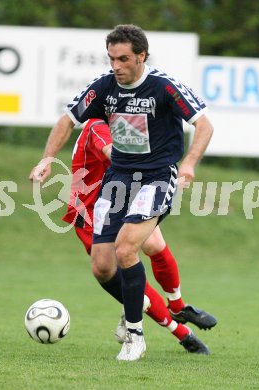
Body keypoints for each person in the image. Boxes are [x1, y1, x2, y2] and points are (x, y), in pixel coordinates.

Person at [30, 24, 214, 361]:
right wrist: (46, 160)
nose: (116, 65)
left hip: (157, 177)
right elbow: (68, 120)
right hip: (118, 181)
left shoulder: (163, 86)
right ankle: (143, 306)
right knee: (102, 266)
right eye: (112, 58)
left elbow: (203, 124)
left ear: (141, 56)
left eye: (124, 59)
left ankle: (134, 334)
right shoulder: (105, 87)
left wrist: (189, 163)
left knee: (128, 248)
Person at [61, 118, 216, 349]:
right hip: (91, 211)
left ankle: (178, 307)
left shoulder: (127, 121)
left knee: (153, 244)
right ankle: (182, 333)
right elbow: (115, 154)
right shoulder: (98, 125)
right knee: (121, 272)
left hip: (121, 197)